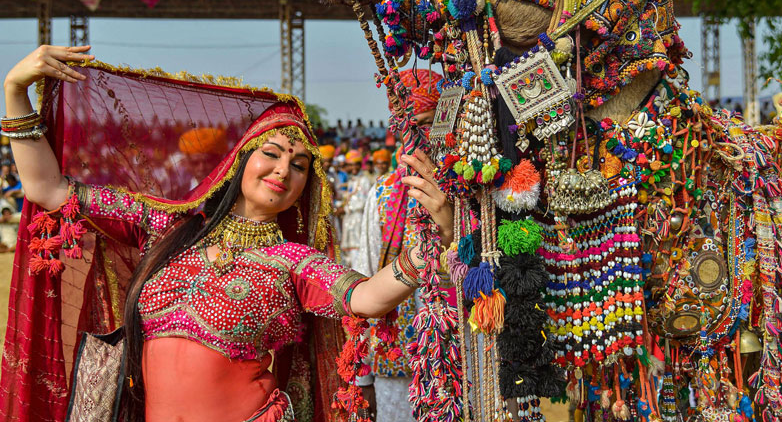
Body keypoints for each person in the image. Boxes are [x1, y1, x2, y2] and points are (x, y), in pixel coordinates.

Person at [1, 45, 453, 422]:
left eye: (299, 166)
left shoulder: (294, 261)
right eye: (272, 154)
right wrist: (15, 89)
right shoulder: (168, 227)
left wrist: (436, 242)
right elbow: (49, 189)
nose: (283, 170)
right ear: (239, 162)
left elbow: (368, 298)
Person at [351, 68, 444, 422]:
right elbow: (361, 280)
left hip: (467, 356)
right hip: (398, 365)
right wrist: (362, 376)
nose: (419, 137)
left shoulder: (472, 192)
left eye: (429, 124)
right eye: (410, 126)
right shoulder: (385, 194)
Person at [339, 149, 372, 265]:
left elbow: (364, 202)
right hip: (349, 219)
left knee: (357, 249)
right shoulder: (352, 180)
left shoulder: (364, 181)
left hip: (358, 218)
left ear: (360, 165)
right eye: (350, 165)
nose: (353, 168)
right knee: (348, 251)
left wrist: (346, 208)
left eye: (356, 165)